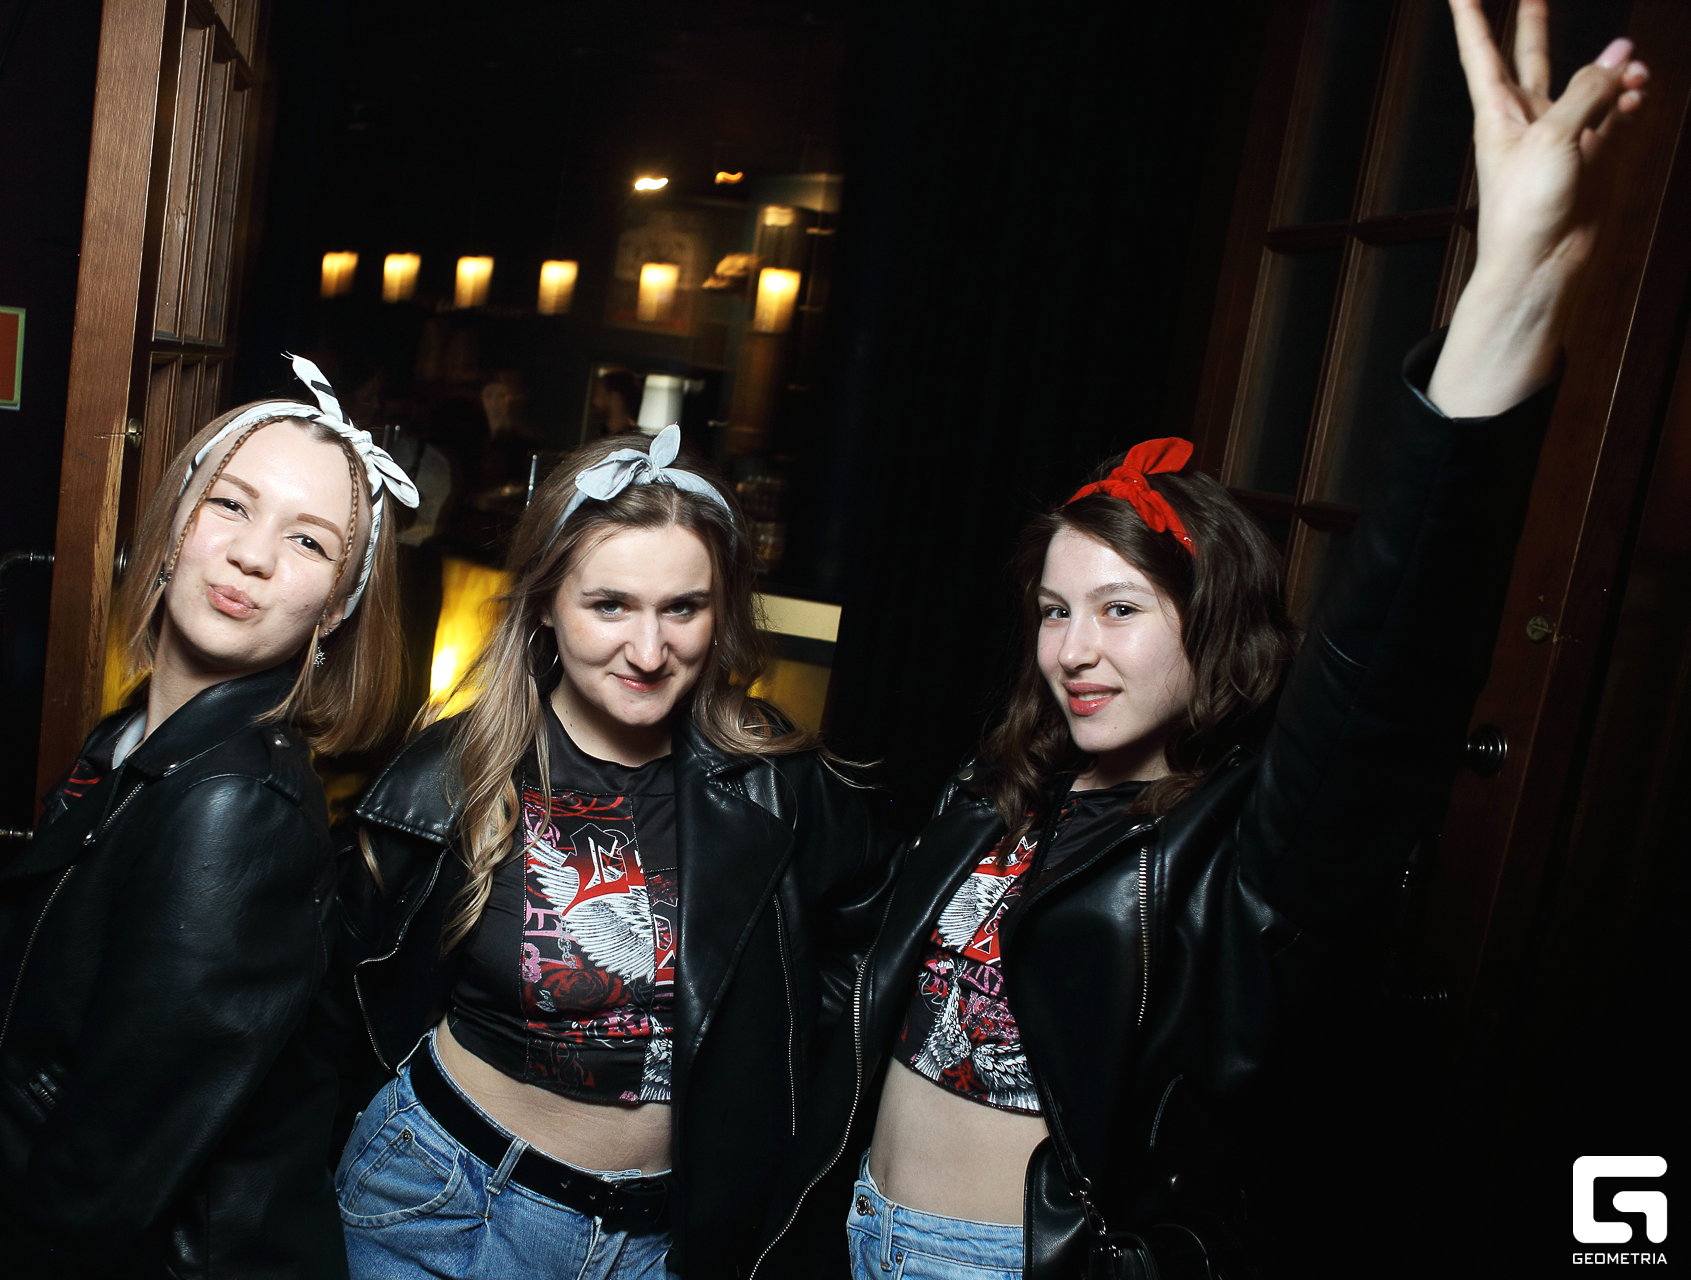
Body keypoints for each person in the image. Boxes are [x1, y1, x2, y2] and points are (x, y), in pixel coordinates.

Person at [750, 6, 1653, 1278]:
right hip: (854, 1233)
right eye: (1055, 609)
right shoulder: (997, 789)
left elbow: (1394, 656)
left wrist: (1506, 291)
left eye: (1122, 608)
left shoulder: (1249, 851)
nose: (1074, 647)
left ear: (1209, 623)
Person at [329, 424, 893, 1279]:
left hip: (664, 1245)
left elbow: (869, 952)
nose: (650, 651)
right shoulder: (448, 778)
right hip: (442, 1206)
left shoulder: (780, 784)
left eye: (683, 608)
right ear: (546, 603)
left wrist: (768, 1083)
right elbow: (339, 1010)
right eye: (610, 606)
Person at [0, 358, 420, 1278]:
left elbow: (110, 1168)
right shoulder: (129, 737)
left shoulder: (236, 807)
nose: (253, 556)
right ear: (174, 527)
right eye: (231, 505)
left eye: (309, 541)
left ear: (335, 609)